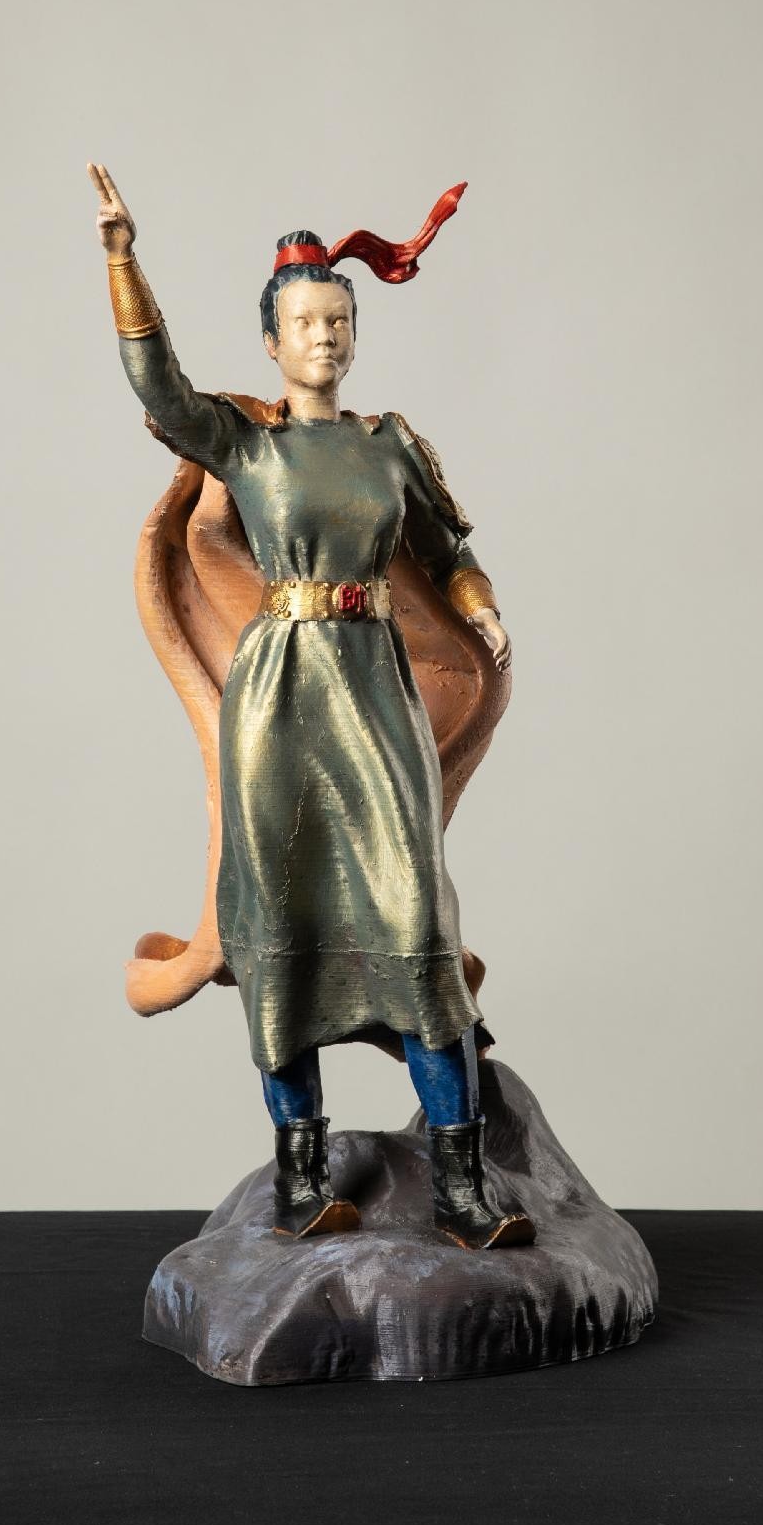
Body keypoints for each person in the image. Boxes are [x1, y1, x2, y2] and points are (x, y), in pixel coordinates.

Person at [89, 164, 534, 1250]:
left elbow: (446, 549)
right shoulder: (246, 443)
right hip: (278, 697)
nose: (324, 336)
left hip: (376, 691)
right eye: (304, 322)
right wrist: (123, 260)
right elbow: (159, 390)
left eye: (338, 320)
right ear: (273, 341)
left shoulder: (389, 448)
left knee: (414, 918)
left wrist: (478, 604)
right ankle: (301, 1179)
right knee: (278, 922)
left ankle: (462, 1186)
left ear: (353, 334)